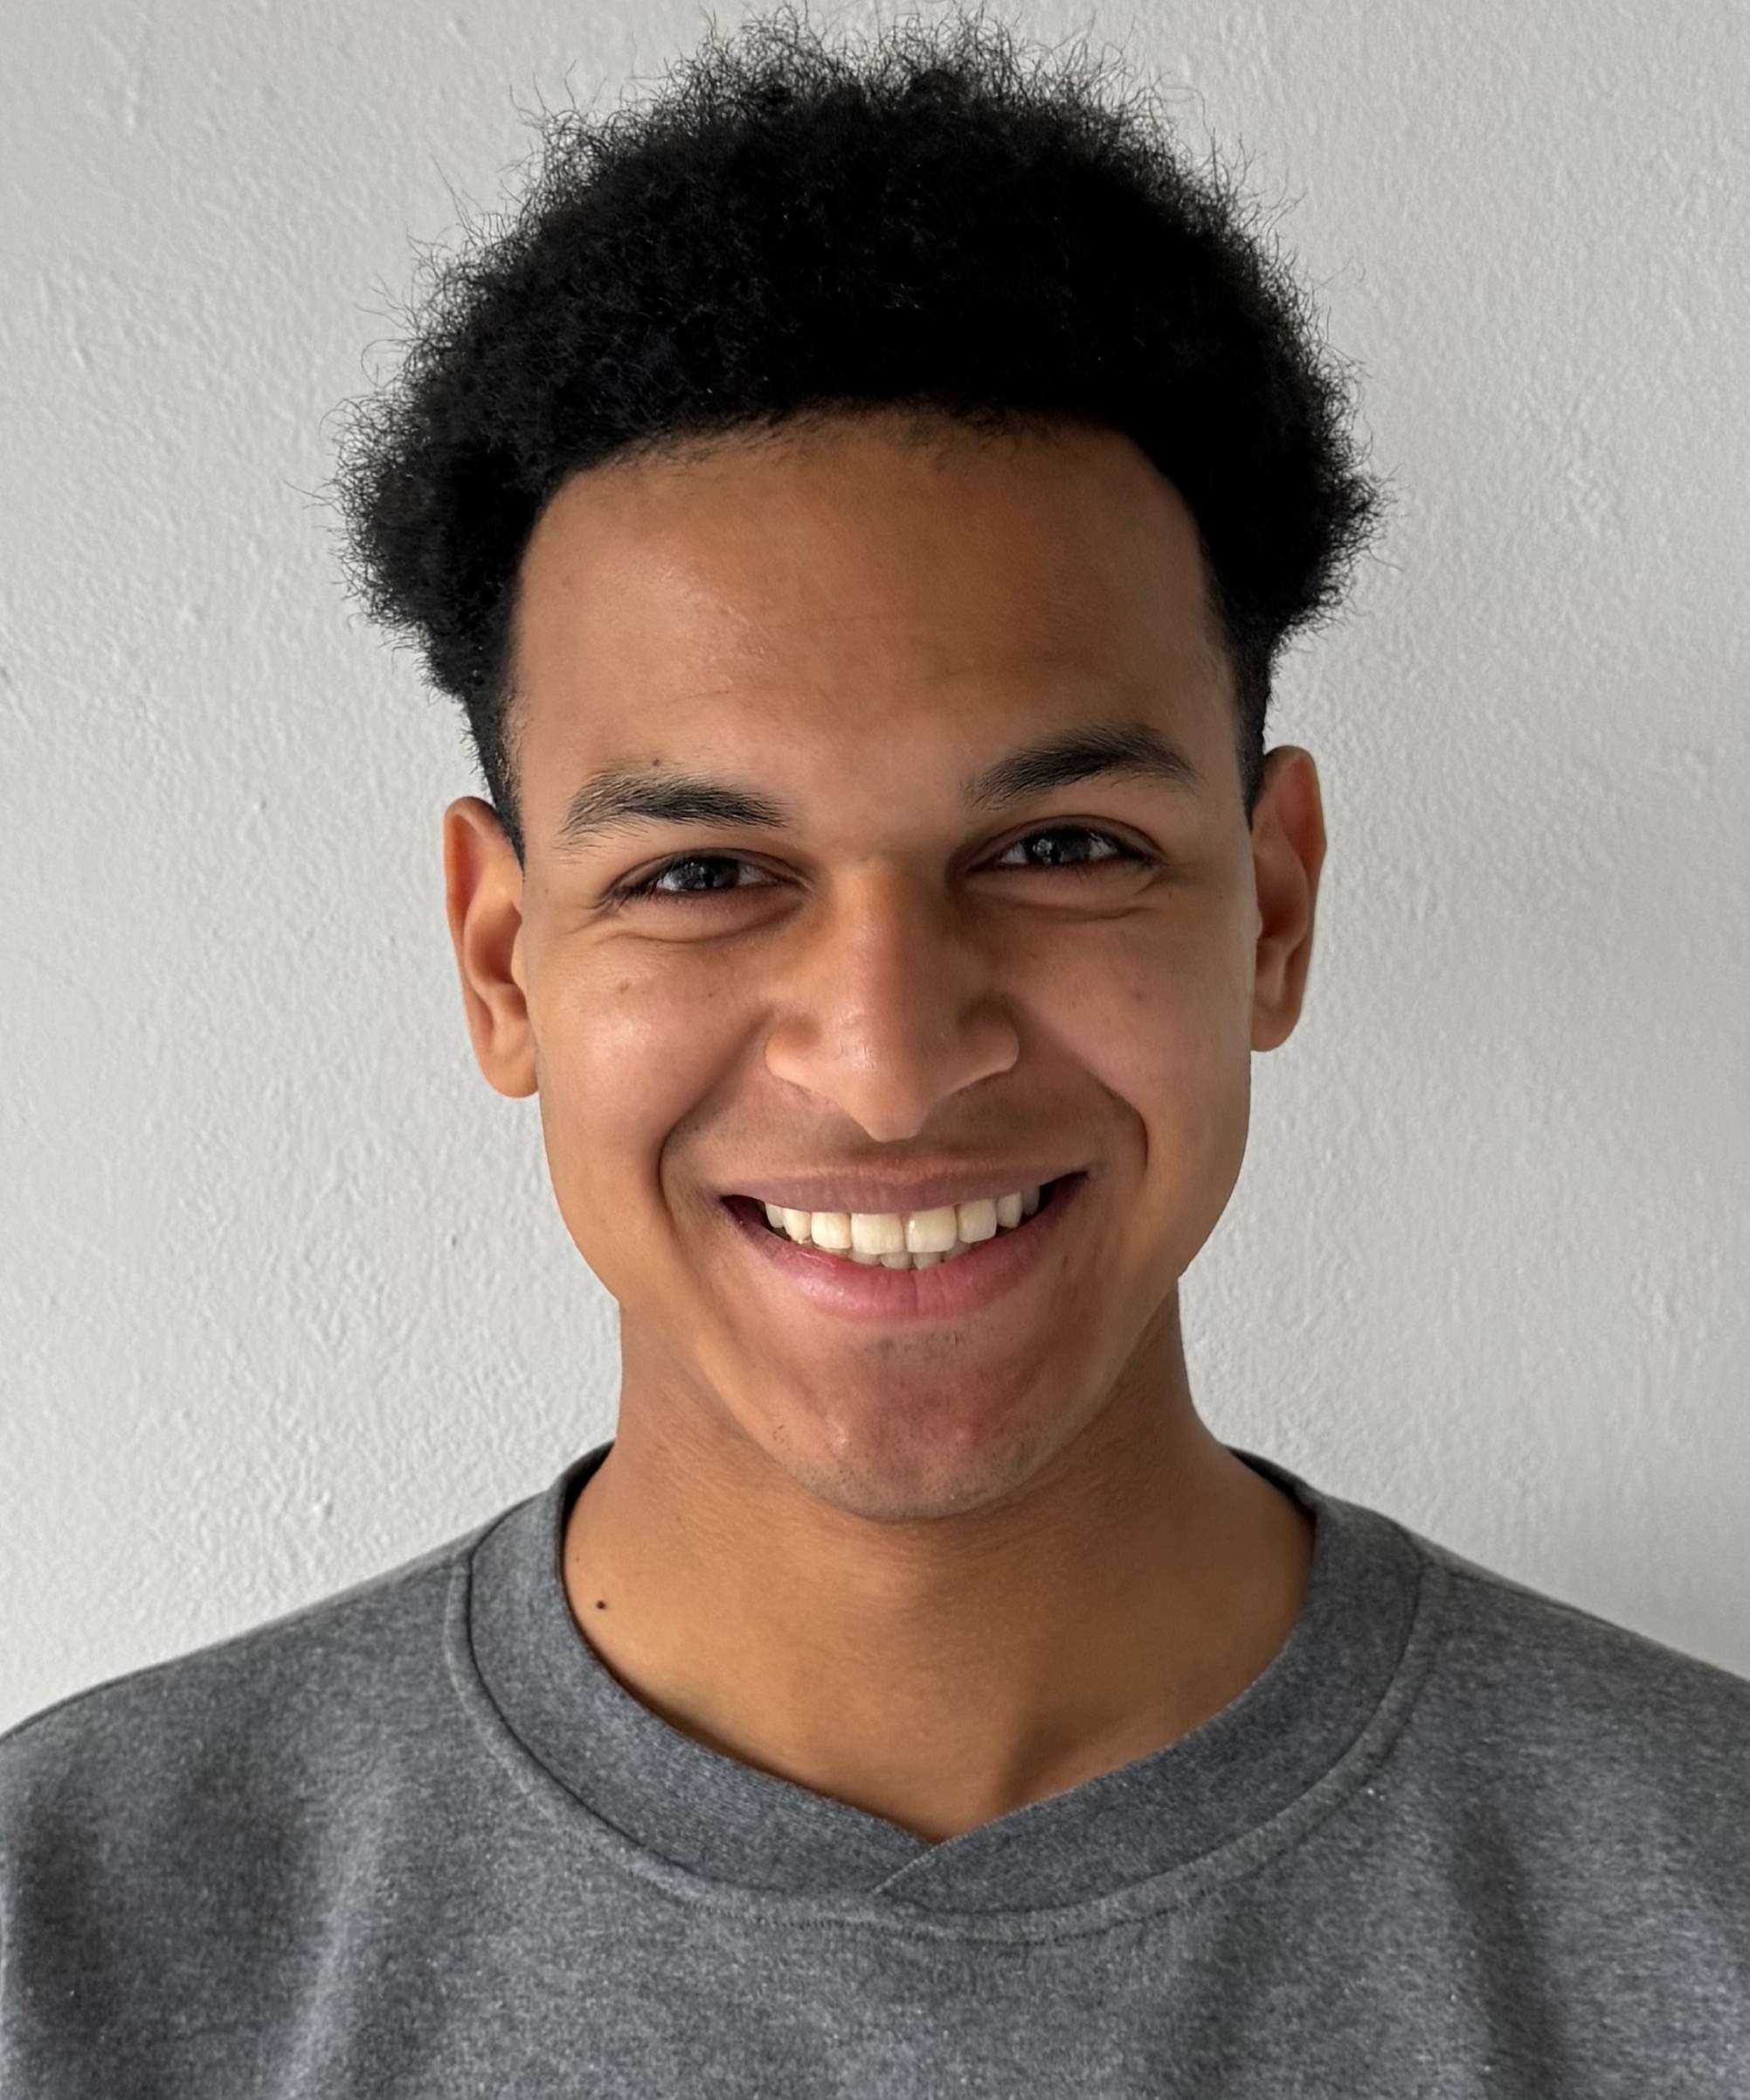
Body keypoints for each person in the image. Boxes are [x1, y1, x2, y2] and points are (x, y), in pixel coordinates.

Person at [3, 16, 1746, 2096]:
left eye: (1061, 847)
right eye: (704, 872)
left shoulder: (1709, 1898)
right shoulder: (70, 1945)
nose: (891, 1061)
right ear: (502, 962)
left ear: (1273, 908)